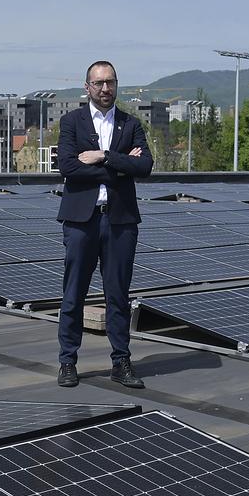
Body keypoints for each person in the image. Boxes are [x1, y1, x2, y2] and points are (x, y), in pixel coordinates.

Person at [56, 60, 152, 388]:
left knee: (118, 295)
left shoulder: (131, 123)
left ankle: (121, 362)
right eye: (98, 83)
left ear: (117, 84)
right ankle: (68, 361)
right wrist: (122, 165)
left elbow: (146, 166)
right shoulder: (71, 122)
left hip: (120, 221)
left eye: (110, 82)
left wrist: (102, 156)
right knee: (73, 294)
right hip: (81, 221)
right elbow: (68, 167)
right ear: (87, 87)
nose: (105, 89)